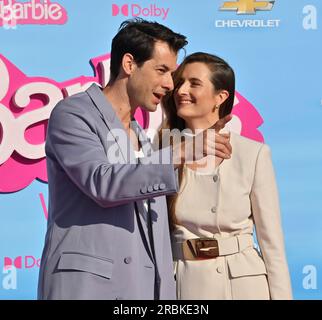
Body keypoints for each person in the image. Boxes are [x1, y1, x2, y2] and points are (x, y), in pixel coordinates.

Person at [37, 20, 232, 300]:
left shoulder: (142, 137)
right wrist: (180, 152)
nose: (169, 85)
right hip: (86, 289)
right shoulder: (73, 114)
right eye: (162, 71)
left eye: (171, 74)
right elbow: (103, 183)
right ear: (129, 64)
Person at [161, 52, 293, 300]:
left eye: (194, 83)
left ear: (220, 97)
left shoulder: (253, 154)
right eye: (179, 82)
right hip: (183, 285)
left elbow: (271, 244)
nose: (180, 90)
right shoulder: (162, 153)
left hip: (243, 285)